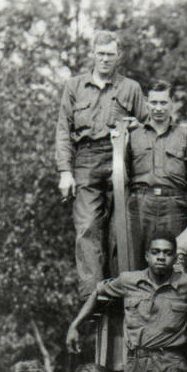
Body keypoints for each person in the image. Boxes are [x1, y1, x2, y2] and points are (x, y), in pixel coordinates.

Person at [66, 234, 187, 372]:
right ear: (147, 256)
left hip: (171, 361)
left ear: (175, 258)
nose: (161, 257)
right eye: (156, 252)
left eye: (167, 253)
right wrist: (75, 325)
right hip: (137, 362)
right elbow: (98, 292)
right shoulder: (128, 281)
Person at [56, 30, 149, 299]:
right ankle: (93, 298)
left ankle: (123, 292)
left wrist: (137, 124)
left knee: (122, 229)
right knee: (87, 229)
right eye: (100, 53)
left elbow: (150, 123)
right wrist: (65, 171)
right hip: (85, 160)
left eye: (110, 54)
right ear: (93, 54)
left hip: (121, 160)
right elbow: (64, 130)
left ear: (119, 56)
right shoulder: (74, 86)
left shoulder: (130, 88)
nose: (105, 59)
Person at [126, 80, 187, 262]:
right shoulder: (133, 136)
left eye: (163, 103)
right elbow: (122, 177)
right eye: (154, 103)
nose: (158, 108)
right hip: (140, 204)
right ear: (147, 103)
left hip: (174, 206)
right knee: (137, 259)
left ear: (172, 104)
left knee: (173, 258)